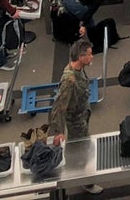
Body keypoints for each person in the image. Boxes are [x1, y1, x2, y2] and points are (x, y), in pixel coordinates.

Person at [48, 39, 102, 194]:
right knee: (82, 149)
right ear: (80, 57)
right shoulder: (69, 80)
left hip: (82, 113)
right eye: (89, 55)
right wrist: (58, 131)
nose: (92, 57)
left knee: (81, 147)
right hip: (76, 121)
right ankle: (86, 181)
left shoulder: (77, 68)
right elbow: (58, 108)